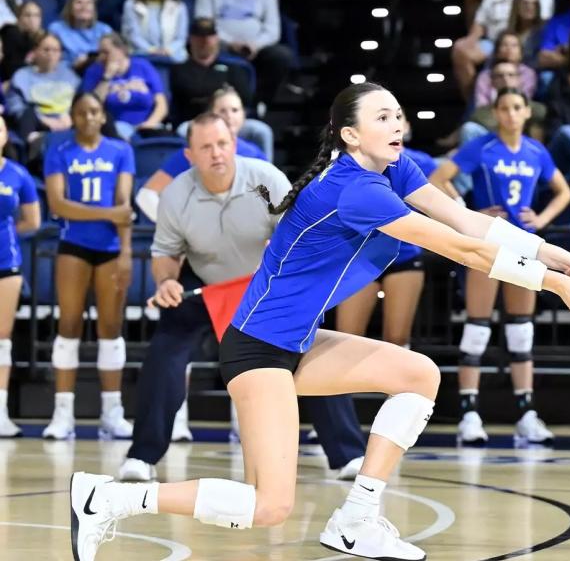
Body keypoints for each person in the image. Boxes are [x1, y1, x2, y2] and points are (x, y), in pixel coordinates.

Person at [69, 82, 570, 561]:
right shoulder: (355, 189)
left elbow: (468, 220)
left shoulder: (394, 168)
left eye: (398, 114)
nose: (397, 124)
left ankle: (357, 520)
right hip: (257, 349)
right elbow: (460, 246)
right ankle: (108, 498)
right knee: (269, 507)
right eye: (382, 117)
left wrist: (565, 260)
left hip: (296, 341)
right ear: (350, 135)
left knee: (419, 375)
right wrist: (554, 284)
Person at [117, 113, 368, 482]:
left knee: (308, 350)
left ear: (233, 144)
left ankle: (348, 453)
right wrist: (167, 282)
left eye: (222, 144)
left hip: (266, 288)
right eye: (205, 147)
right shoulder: (174, 196)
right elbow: (165, 254)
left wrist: (280, 249)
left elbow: (300, 236)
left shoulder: (266, 179)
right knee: (164, 354)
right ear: (189, 156)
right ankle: (142, 457)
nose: (216, 153)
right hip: (208, 286)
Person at [431, 88, 570, 445]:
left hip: (523, 242)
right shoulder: (483, 147)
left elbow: (565, 191)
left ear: (527, 113)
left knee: (521, 331)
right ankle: (469, 415)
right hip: (488, 242)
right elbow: (438, 179)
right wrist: (467, 212)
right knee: (477, 328)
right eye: (504, 108)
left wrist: (541, 218)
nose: (511, 114)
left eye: (517, 107)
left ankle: (526, 414)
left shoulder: (536, 151)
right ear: (496, 113)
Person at [41, 92, 136, 441]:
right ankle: (62, 414)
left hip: (111, 248)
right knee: (69, 324)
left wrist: (126, 251)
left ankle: (113, 414)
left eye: (94, 111)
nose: (88, 118)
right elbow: (58, 204)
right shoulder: (59, 151)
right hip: (73, 246)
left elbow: (124, 205)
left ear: (102, 115)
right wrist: (109, 214)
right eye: (81, 113)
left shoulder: (121, 150)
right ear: (72, 117)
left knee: (110, 327)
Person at [335, 146, 438, 349]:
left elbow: (441, 192)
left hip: (404, 255)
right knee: (348, 338)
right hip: (360, 256)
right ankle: (351, 381)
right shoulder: (351, 161)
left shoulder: (419, 161)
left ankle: (394, 381)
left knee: (398, 339)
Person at [136, 86, 268, 222]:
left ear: (243, 114)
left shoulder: (255, 155)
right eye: (222, 110)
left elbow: (271, 201)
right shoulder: (192, 152)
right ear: (211, 115)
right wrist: (174, 227)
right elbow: (146, 195)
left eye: (235, 110)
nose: (229, 116)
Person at [0, 118, 41, 436]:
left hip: (6, 262)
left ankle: (0, 412)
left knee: (2, 338)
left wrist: (7, 233)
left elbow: (32, 220)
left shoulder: (17, 173)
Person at [81, 32, 168, 139]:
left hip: (148, 123)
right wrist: (107, 77)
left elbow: (161, 104)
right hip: (115, 125)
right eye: (100, 53)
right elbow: (92, 106)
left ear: (121, 50)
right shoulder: (94, 71)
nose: (102, 57)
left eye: (106, 52)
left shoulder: (143, 66)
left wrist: (150, 124)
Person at [5, 33, 80, 140]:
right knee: (28, 115)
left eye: (55, 50)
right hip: (36, 124)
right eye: (46, 49)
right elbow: (16, 108)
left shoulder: (70, 75)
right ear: (35, 51)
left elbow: (80, 100)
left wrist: (71, 116)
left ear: (60, 54)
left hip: (67, 120)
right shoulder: (21, 76)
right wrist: (42, 119)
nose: (50, 54)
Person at [121, 0, 189, 62]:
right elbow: (133, 35)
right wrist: (151, 50)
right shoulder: (131, 5)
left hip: (171, 55)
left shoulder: (179, 6)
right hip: (141, 54)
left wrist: (168, 50)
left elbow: (181, 38)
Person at [49, 0, 114, 73]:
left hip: (99, 73)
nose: (84, 7)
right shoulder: (56, 29)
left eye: (89, 3)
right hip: (67, 74)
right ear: (70, 7)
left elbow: (113, 56)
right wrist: (73, 65)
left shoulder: (105, 30)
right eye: (79, 2)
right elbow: (51, 58)